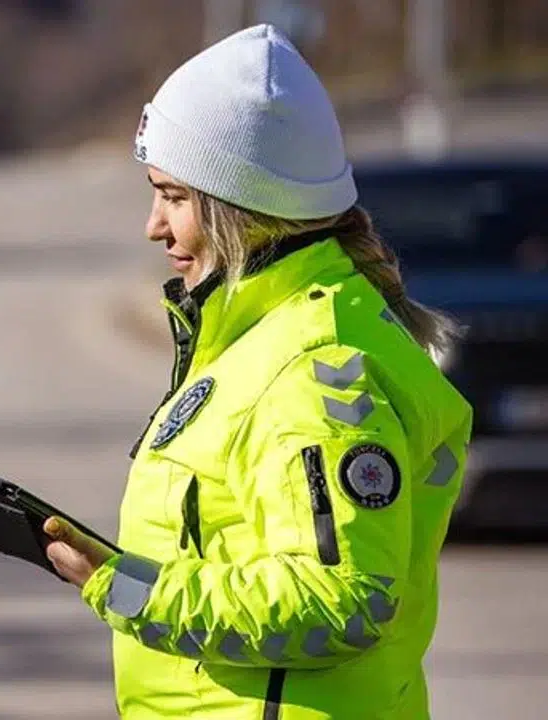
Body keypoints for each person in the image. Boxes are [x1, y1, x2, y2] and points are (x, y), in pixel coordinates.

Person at [40, 25, 472, 719]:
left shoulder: (313, 372)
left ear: (241, 207)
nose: (154, 225)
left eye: (174, 196)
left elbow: (344, 601)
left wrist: (130, 591)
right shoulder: (261, 342)